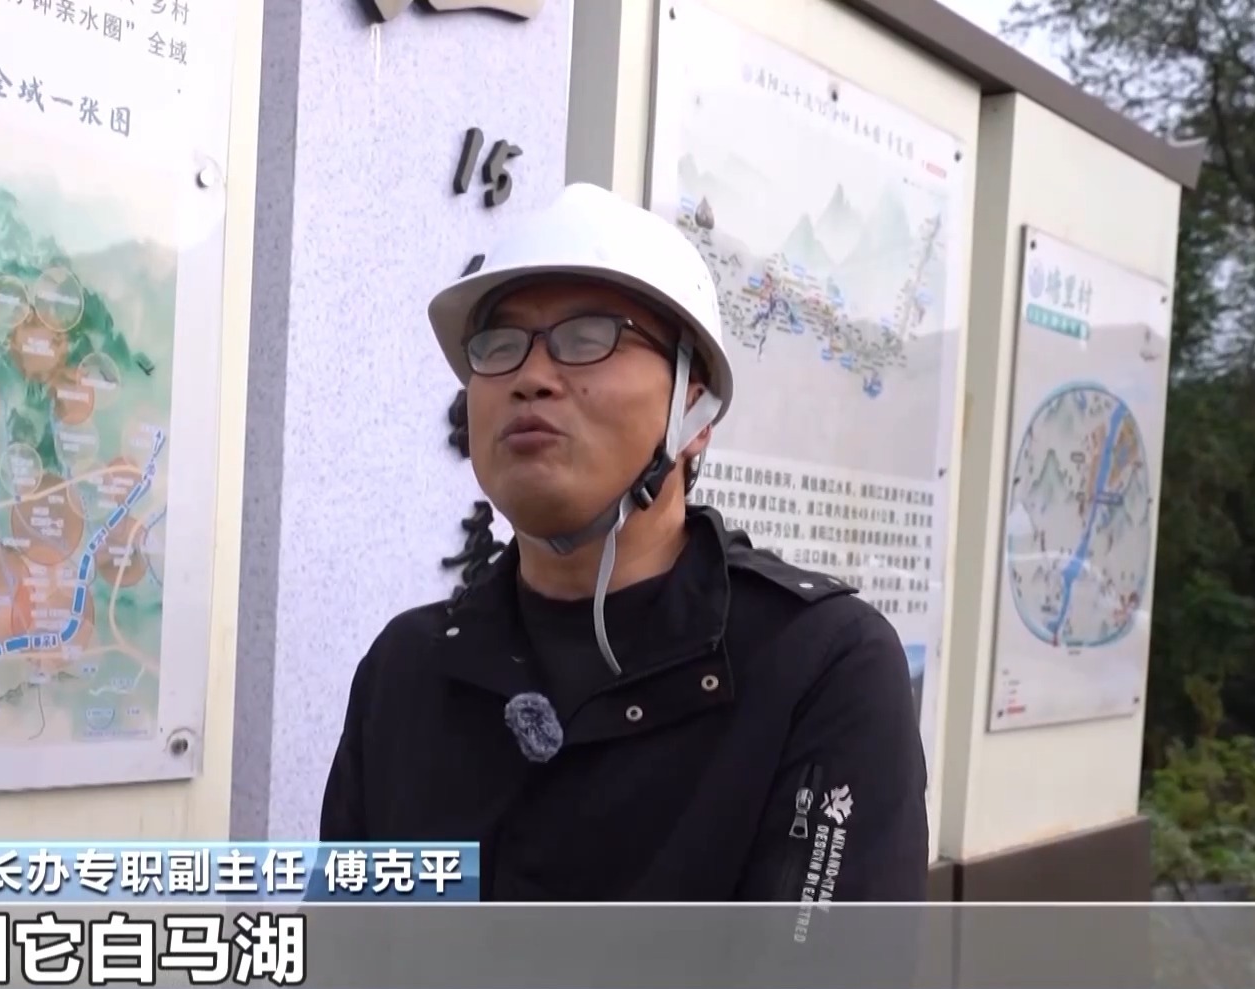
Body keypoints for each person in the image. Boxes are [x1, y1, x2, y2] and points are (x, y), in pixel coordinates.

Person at [318, 183, 928, 902]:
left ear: (695, 410)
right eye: (499, 347)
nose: (530, 378)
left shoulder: (817, 663)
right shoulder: (409, 668)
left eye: (589, 338)